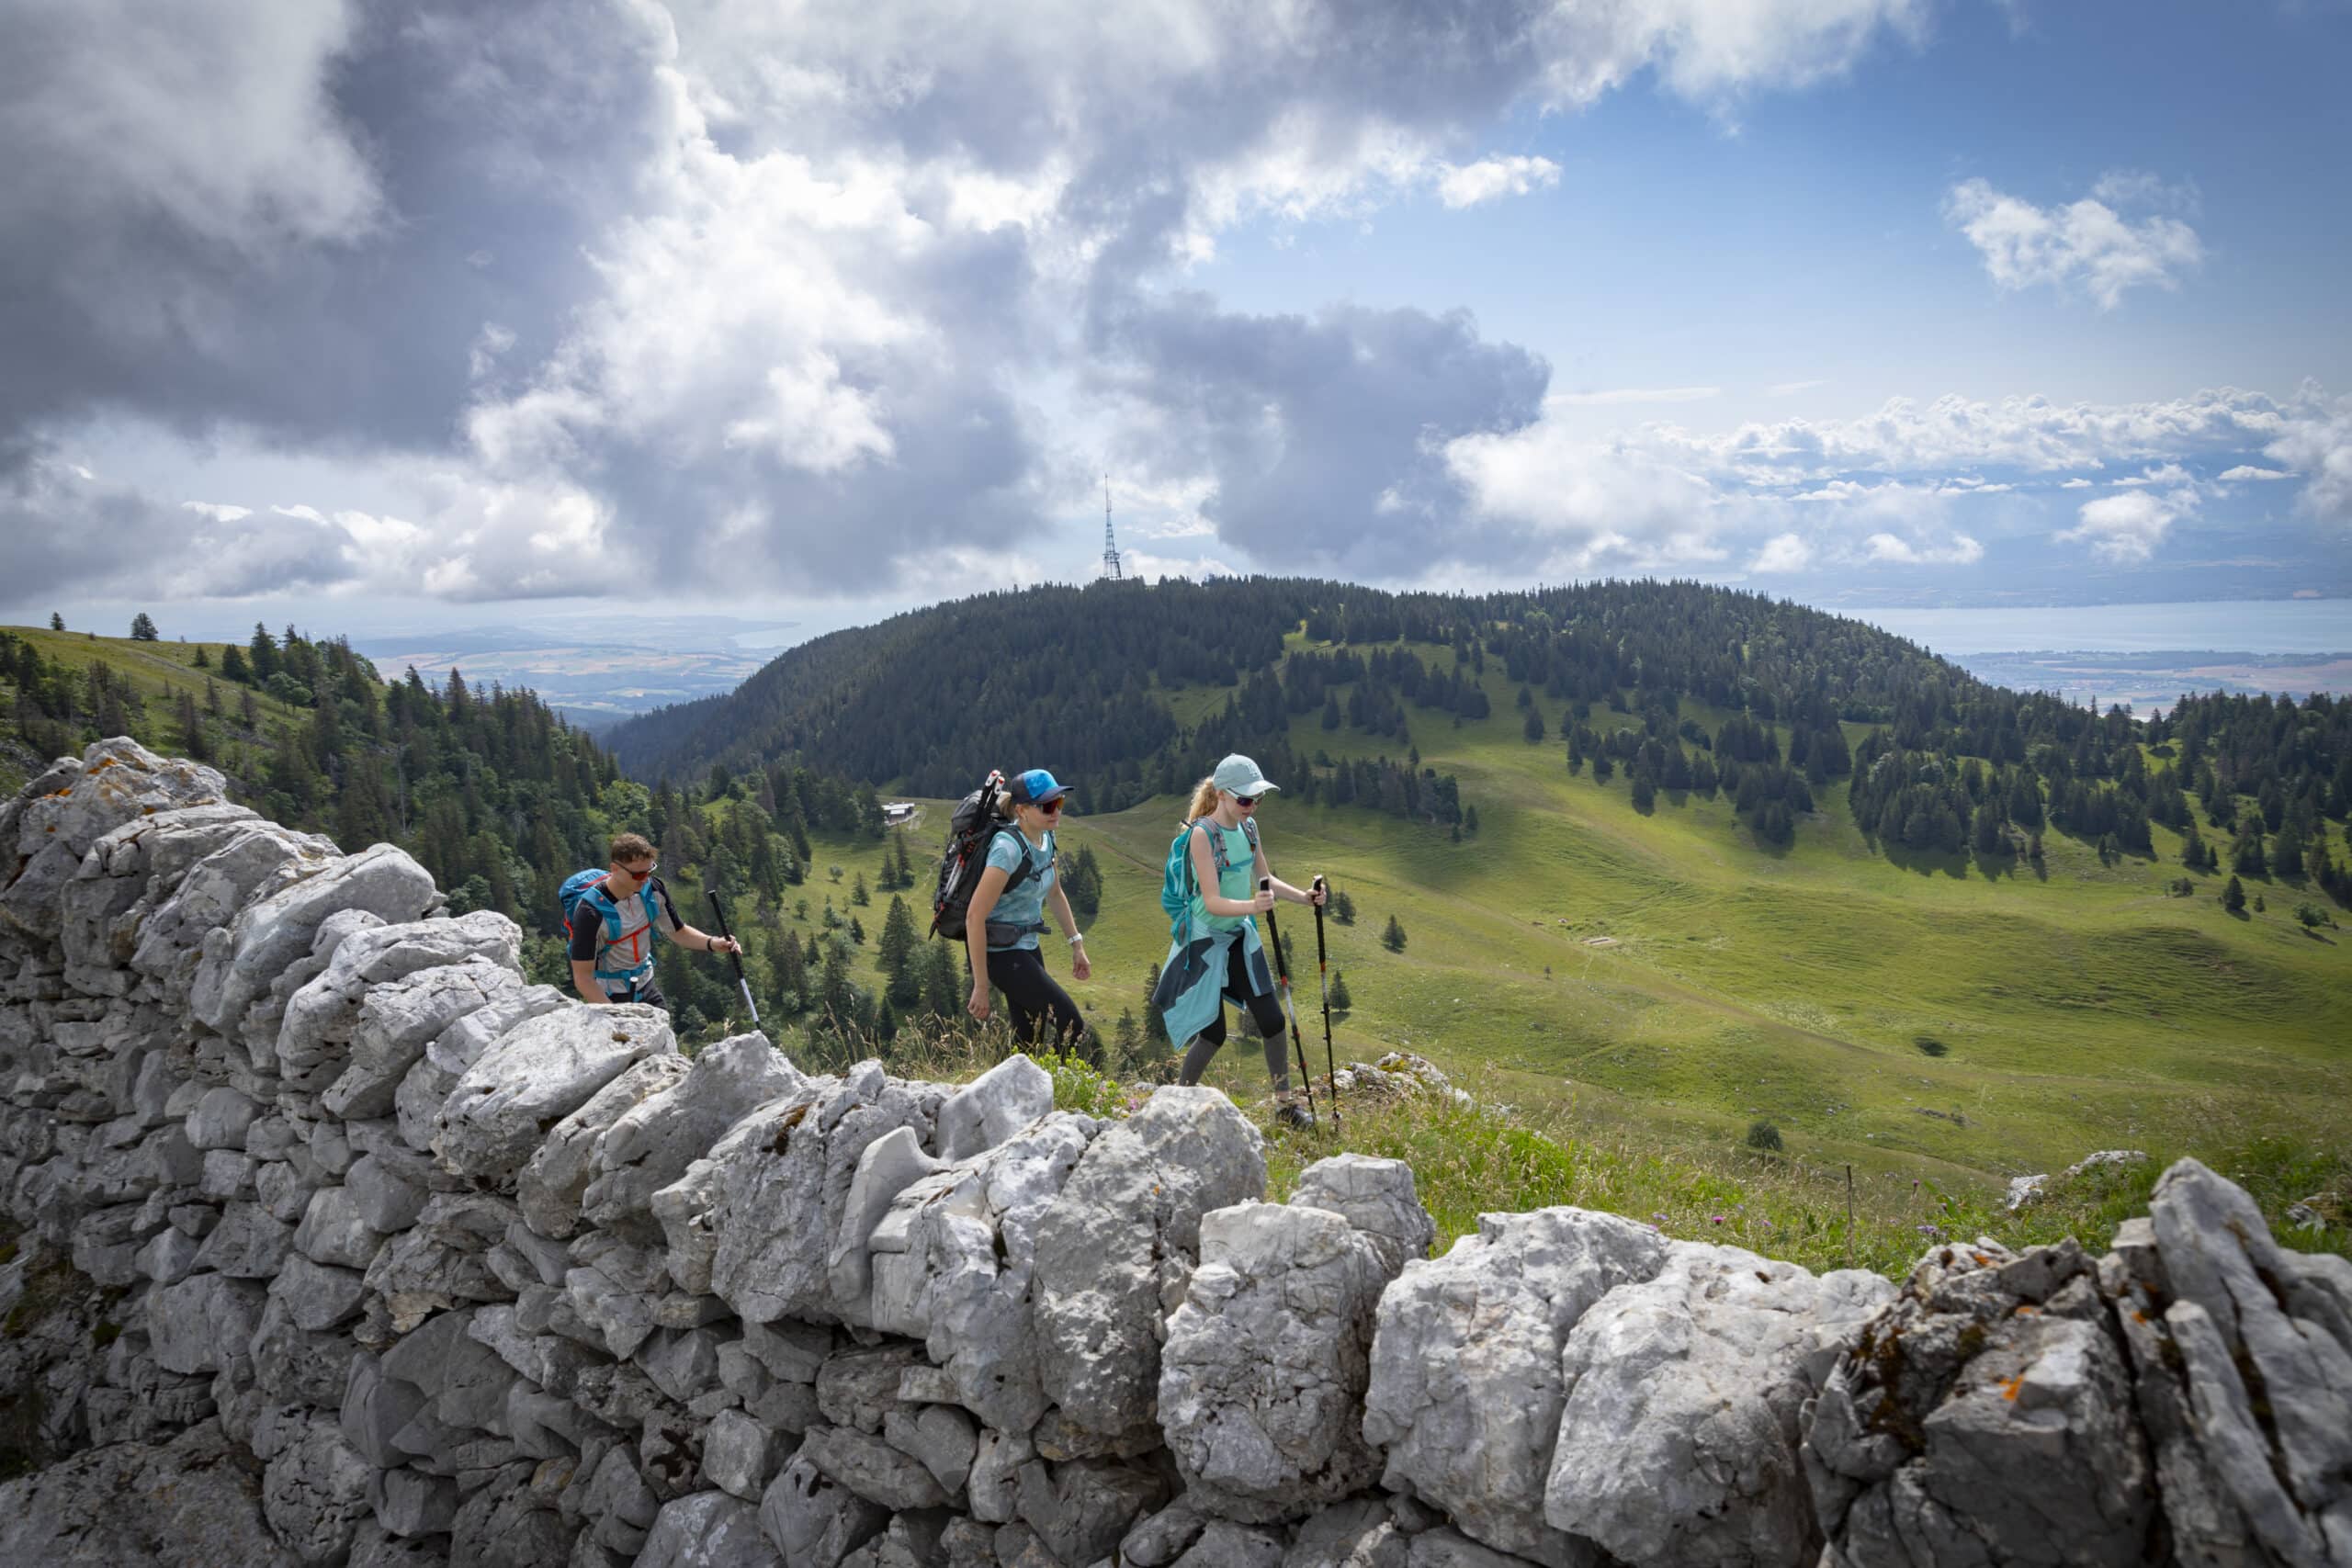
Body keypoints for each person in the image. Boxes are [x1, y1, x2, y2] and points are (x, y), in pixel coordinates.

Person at [1152, 753, 1325, 1127]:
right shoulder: (1201, 835)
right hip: (1203, 941)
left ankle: (1285, 1107)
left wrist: (1303, 897)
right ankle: (1175, 1104)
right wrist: (1254, 905)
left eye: (1257, 799)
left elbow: (1265, 878)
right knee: (1212, 1032)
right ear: (1222, 796)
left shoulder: (1249, 830)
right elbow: (1211, 900)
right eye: (1245, 800)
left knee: (1272, 1020)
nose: (1252, 806)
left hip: (1238, 937)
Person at [964, 768, 1092, 1052]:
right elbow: (974, 916)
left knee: (1029, 1034)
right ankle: (1065, 1094)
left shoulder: (1046, 840)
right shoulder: (1007, 850)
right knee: (1071, 1023)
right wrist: (981, 985)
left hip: (1026, 946)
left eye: (1059, 803)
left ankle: (1014, 1093)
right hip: (999, 953)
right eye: (1047, 805)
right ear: (1021, 810)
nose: (1055, 811)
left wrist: (1077, 944)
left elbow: (1056, 894)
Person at [567, 832, 741, 1010]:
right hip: (610, 995)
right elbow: (583, 978)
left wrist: (712, 943)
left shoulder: (652, 890)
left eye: (649, 871)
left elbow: (678, 932)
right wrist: (613, 1015)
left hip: (646, 985)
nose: (645, 879)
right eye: (638, 875)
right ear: (615, 869)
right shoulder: (590, 913)